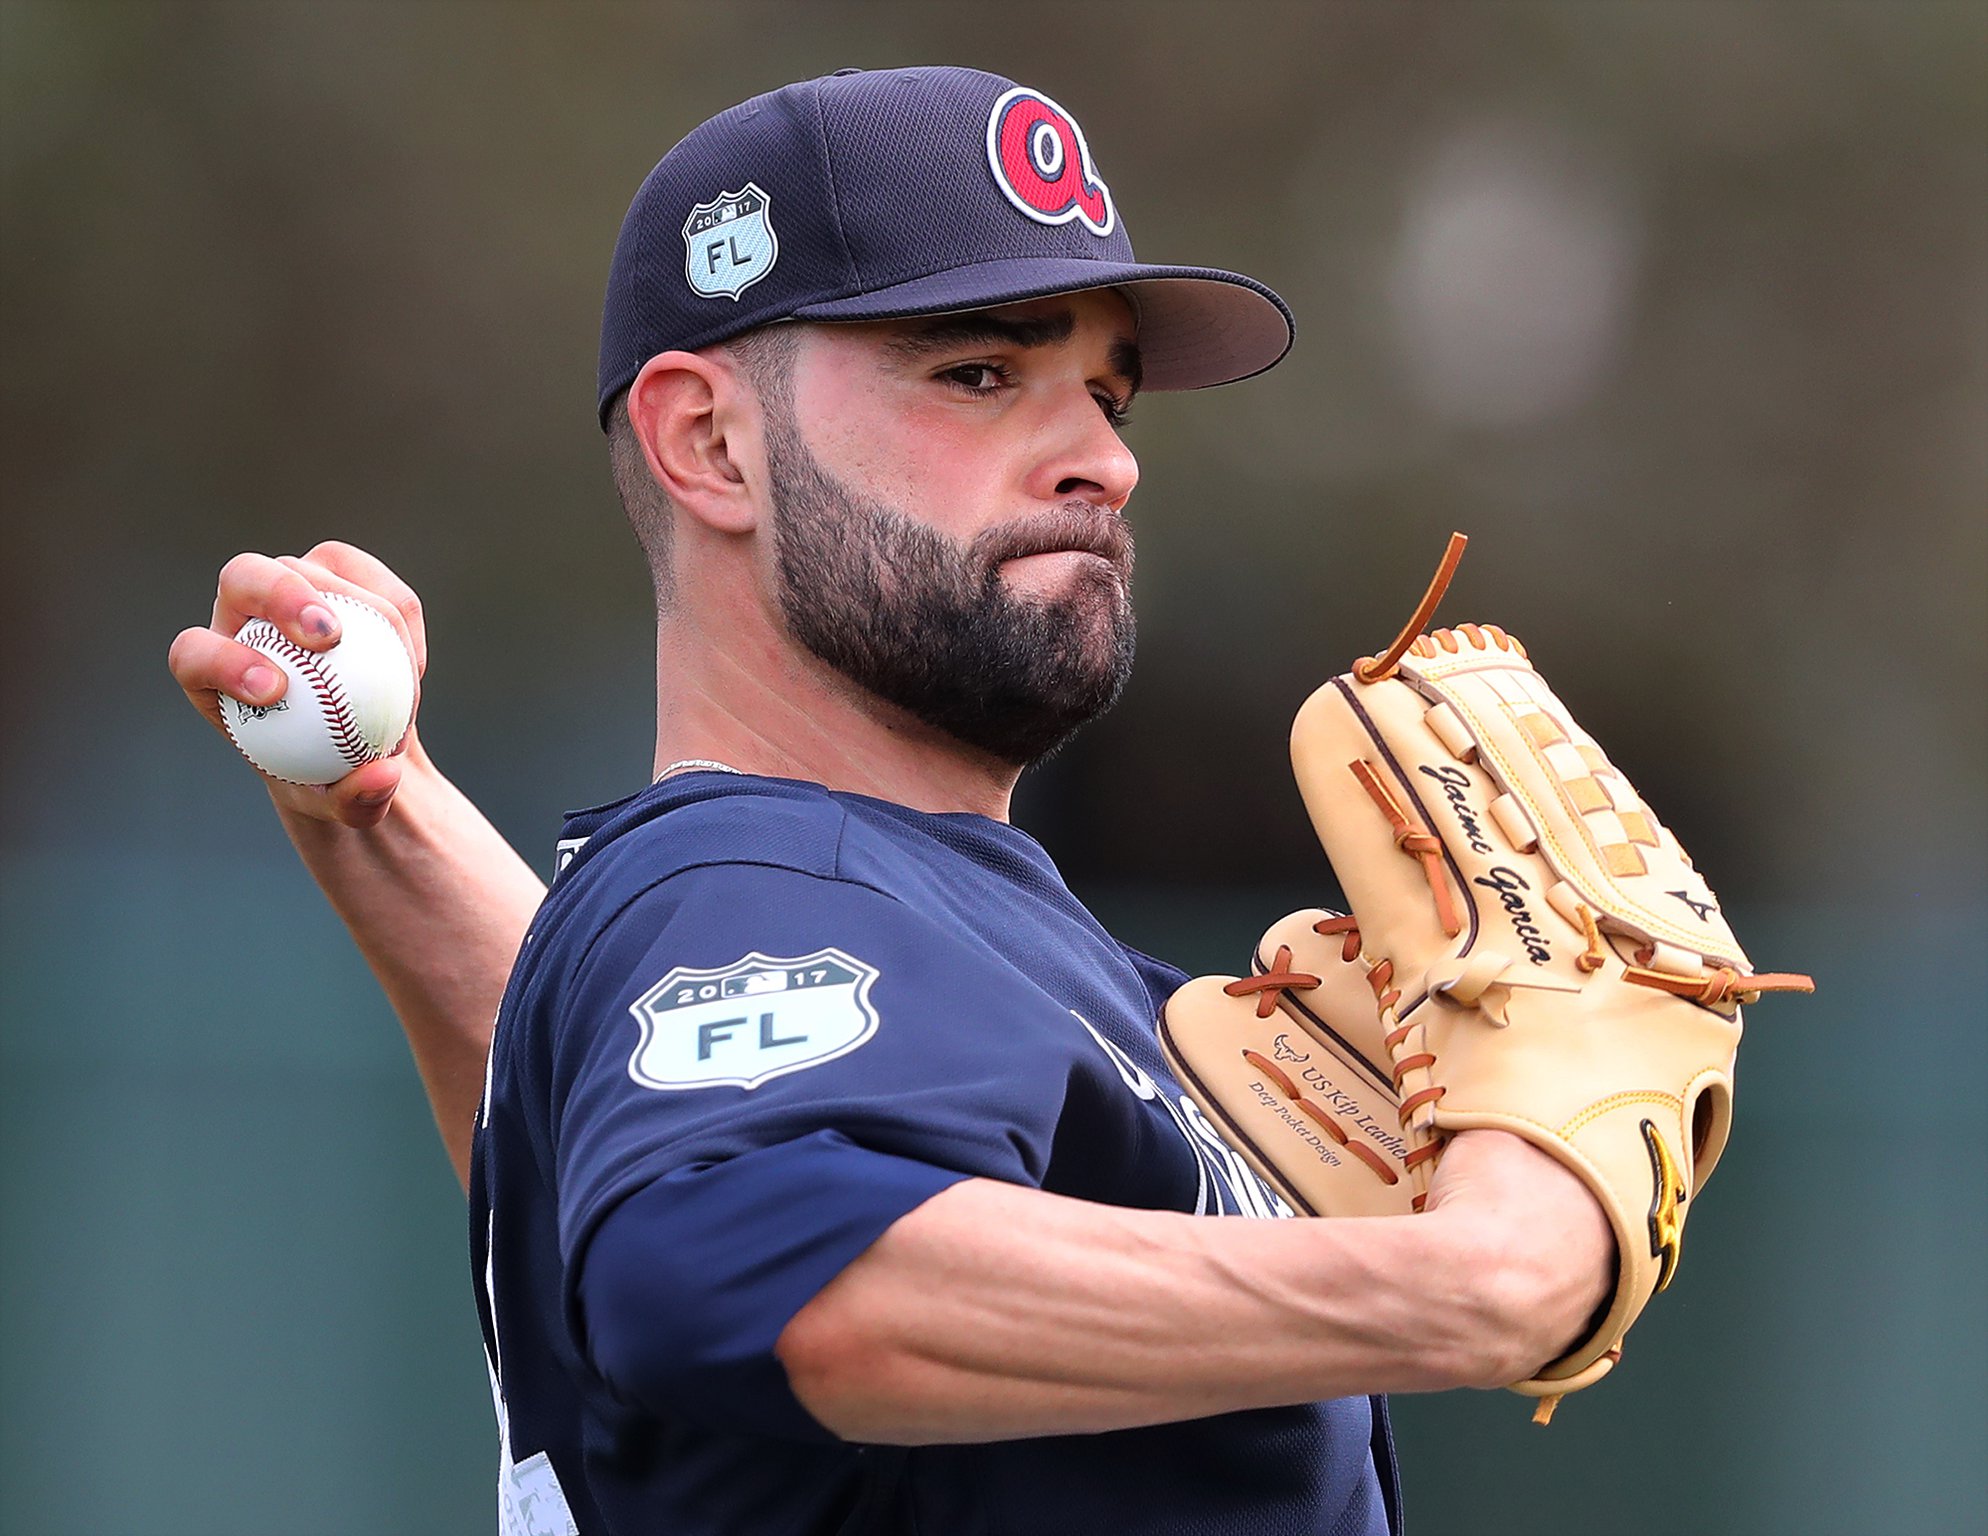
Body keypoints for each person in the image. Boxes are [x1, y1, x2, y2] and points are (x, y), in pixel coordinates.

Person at [170, 66, 1610, 1536]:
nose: (1105, 460)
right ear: (709, 446)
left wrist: (388, 816)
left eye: (1107, 396)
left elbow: (629, 1134)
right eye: (978, 373)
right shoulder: (768, 882)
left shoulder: (870, 917)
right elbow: (735, 1260)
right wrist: (1475, 1285)